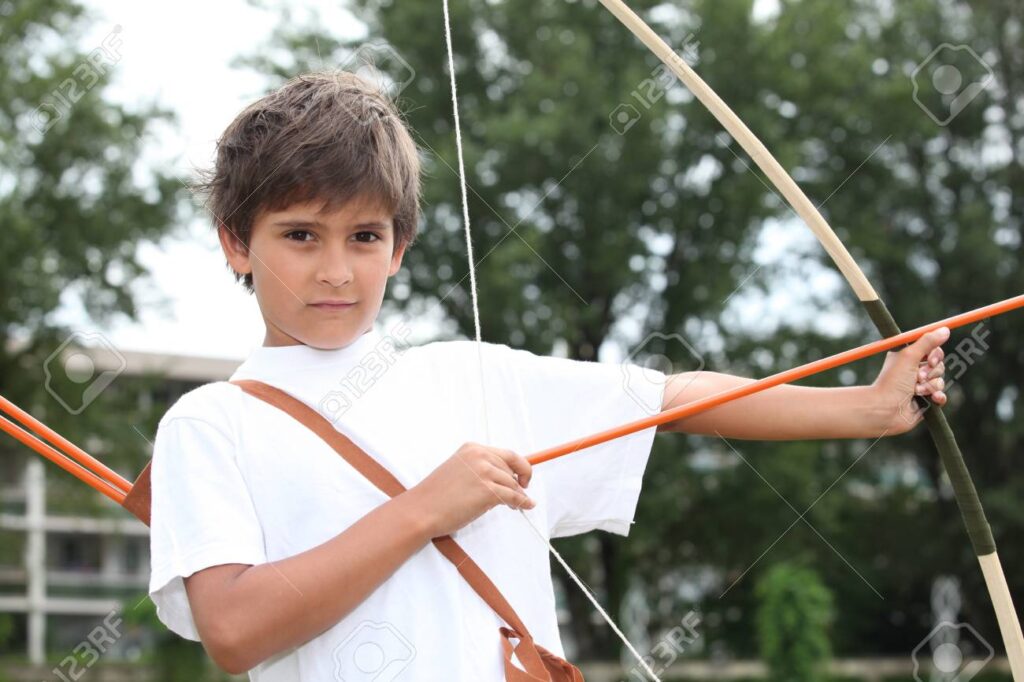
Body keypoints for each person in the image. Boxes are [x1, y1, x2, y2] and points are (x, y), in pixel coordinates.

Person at [147, 71, 948, 680]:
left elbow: (672, 399)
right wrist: (427, 508)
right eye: (299, 234)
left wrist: (868, 408)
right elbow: (234, 628)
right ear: (236, 242)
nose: (335, 270)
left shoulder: (473, 376)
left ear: (399, 247)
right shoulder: (212, 422)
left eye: (363, 236)